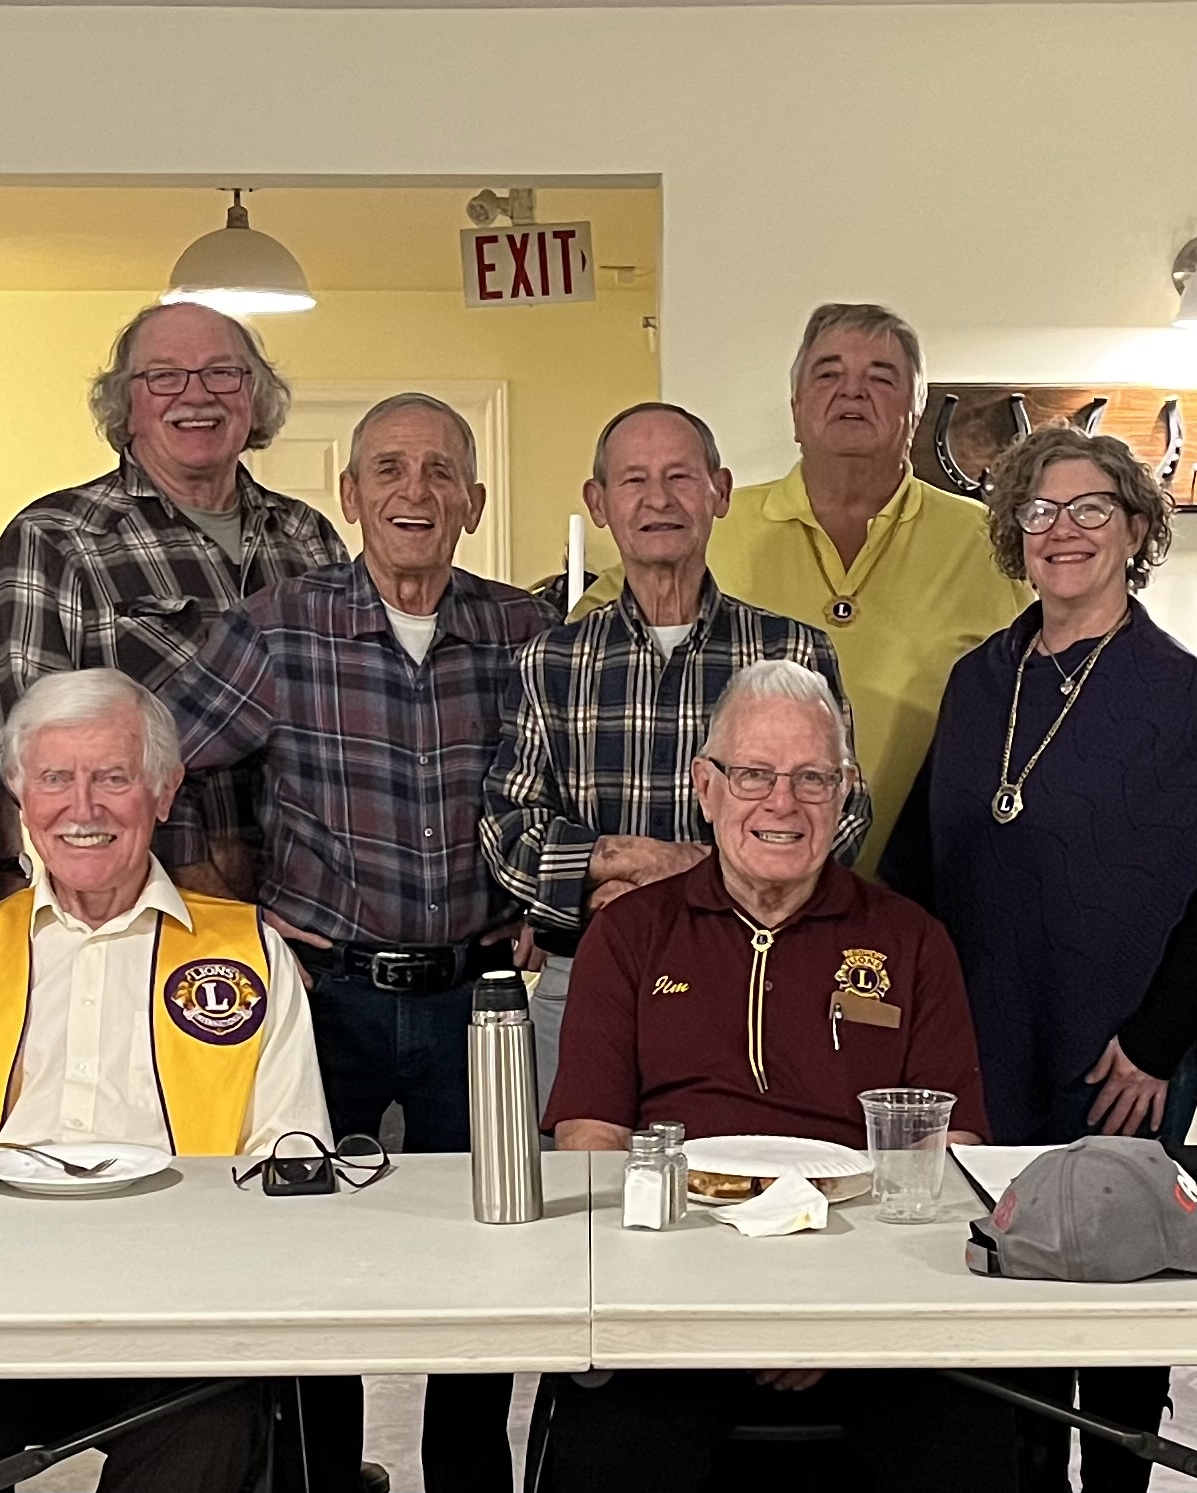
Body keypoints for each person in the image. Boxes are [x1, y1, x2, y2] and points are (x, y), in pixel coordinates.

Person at [154, 392, 552, 1493]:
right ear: (349, 495)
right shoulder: (278, 627)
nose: (413, 492)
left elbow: (561, 787)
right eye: (387, 469)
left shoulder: (522, 631)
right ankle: (321, 1476)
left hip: (478, 996)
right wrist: (219, 911)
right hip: (321, 994)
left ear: (474, 501)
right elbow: (152, 756)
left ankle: (467, 1475)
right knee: (310, 1255)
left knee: (486, 1252)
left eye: (439, 471)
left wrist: (545, 900)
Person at [880, 429, 1197, 1493]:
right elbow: (921, 861)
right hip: (989, 1035)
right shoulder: (978, 682)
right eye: (1039, 511)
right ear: (1014, 535)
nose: (1062, 530)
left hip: (1121, 1051)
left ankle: (1112, 1480)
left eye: (1091, 508)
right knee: (1004, 1272)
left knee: (1116, 1283)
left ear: (1136, 530)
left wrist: (1156, 1038)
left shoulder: (1175, 688)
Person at [538, 660, 1006, 1493]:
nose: (781, 803)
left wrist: (836, 1315)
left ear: (844, 792)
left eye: (811, 778)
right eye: (753, 774)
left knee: (972, 1441)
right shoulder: (629, 935)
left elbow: (949, 1149)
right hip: (672, 1290)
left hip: (866, 1293)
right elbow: (591, 1144)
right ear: (705, 787)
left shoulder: (910, 939)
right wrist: (704, 1307)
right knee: (608, 1452)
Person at [0, 668, 327, 1493]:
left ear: (163, 791)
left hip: (182, 1309)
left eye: (112, 777)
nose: (81, 807)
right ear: (20, 796)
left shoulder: (249, 954)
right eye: (54, 778)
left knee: (212, 1436)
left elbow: (291, 1160)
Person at [484, 402, 862, 1112]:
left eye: (680, 476)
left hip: (756, 978)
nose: (658, 499)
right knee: (580, 1171)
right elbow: (509, 832)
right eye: (634, 480)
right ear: (599, 503)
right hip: (583, 978)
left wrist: (674, 875)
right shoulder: (549, 660)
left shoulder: (794, 651)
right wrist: (641, 864)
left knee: (749, 1167)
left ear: (719, 491)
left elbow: (842, 816)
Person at [0, 301, 345, 904]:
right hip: (141, 908)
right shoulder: (55, 539)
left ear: (254, 396)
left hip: (316, 911)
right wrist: (194, 873)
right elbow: (30, 756)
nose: (196, 395)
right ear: (125, 405)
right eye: (165, 376)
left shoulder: (308, 536)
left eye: (222, 373)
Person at [698, 302, 1023, 871]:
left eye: (881, 377)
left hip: (930, 889)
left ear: (916, 414)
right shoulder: (712, 529)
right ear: (795, 410)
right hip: (740, 885)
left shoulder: (989, 542)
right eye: (828, 374)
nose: (852, 392)